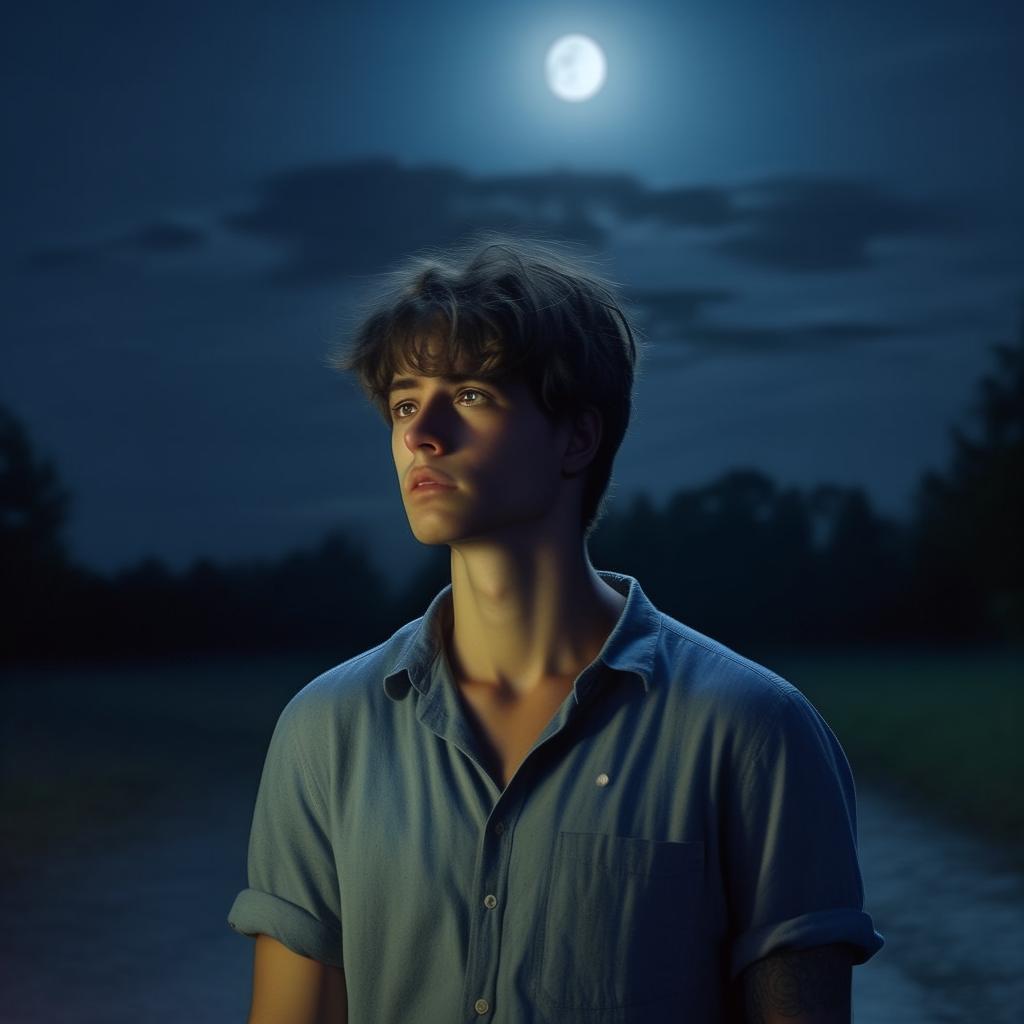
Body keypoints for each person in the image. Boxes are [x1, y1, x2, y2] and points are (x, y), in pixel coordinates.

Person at [227, 232, 884, 1023]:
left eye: (471, 394)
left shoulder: (754, 730)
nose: (420, 434)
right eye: (405, 402)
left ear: (578, 437)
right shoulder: (325, 729)